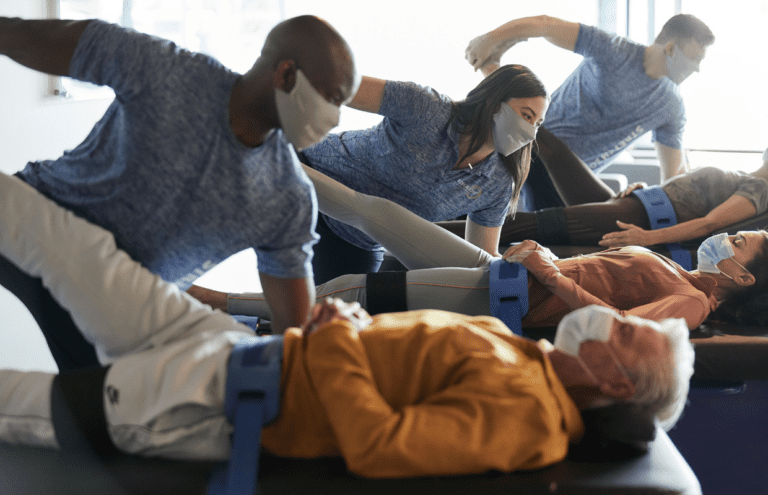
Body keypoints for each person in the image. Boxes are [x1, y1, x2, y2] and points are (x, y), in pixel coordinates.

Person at [0, 171, 693, 477]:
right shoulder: (527, 360)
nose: (612, 319)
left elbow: (377, 443)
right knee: (75, 246)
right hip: (238, 348)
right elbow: (392, 361)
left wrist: (334, 337)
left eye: (627, 332)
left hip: (212, 400)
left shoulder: (529, 420)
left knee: (17, 401)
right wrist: (351, 323)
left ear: (611, 377)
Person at [0, 15, 358, 369]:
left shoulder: (287, 197)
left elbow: (291, 331)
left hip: (114, 301)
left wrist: (321, 344)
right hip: (40, 217)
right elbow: (29, 36)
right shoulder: (168, 71)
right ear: (286, 75)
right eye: (332, 97)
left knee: (97, 419)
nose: (337, 118)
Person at [192, 165, 768, 330]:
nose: (730, 237)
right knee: (382, 214)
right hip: (504, 273)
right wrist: (547, 261)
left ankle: (216, 303)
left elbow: (614, 327)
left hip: (508, 298)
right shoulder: (679, 273)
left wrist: (549, 269)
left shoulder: (692, 306)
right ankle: (267, 159)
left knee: (347, 291)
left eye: (743, 243)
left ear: (744, 279)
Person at [300, 64, 548, 283]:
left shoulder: (498, 182)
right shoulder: (428, 108)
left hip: (355, 240)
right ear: (495, 102)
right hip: (309, 175)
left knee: (328, 321)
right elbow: (339, 86)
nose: (530, 132)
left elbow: (478, 260)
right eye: (526, 115)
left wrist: (522, 264)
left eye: (537, 123)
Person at [465, 14, 715, 209]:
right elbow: (545, 25)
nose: (698, 69)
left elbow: (671, 176)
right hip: (533, 142)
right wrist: (489, 39)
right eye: (695, 58)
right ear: (670, 49)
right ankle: (493, 72)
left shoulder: (671, 106)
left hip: (572, 180)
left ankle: (493, 72)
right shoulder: (614, 50)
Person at [437, 131, 768, 248]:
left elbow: (709, 225)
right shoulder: (746, 177)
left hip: (636, 219)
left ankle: (414, 231)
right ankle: (443, 178)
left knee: (525, 225)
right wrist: (651, 190)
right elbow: (688, 197)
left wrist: (647, 238)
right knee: (541, 138)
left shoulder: (762, 191)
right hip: (635, 203)